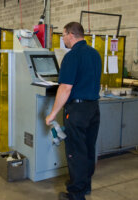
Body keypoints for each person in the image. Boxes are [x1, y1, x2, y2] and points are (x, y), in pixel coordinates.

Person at [45, 22, 102, 200]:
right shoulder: (95, 54)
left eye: (63, 35)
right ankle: (85, 185)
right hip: (93, 108)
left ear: (71, 34)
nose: (62, 39)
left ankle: (76, 194)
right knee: (88, 149)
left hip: (77, 110)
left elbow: (65, 88)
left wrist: (52, 114)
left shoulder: (72, 56)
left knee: (76, 152)